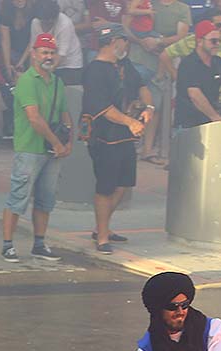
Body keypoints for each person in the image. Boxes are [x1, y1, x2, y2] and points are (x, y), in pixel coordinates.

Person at [81, 23, 150, 253]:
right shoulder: (94, 70)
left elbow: (142, 86)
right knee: (105, 187)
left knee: (123, 184)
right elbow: (103, 108)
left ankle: (102, 227)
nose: (127, 44)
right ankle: (102, 237)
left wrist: (148, 107)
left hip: (125, 136)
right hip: (104, 136)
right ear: (113, 41)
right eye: (124, 40)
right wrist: (131, 122)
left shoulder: (124, 64)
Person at [1, 32, 70, 261]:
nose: (48, 56)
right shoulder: (27, 81)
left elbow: (64, 112)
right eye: (44, 52)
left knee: (46, 199)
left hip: (53, 150)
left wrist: (68, 139)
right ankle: (7, 244)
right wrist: (57, 142)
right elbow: (34, 118)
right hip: (30, 147)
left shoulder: (58, 82)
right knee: (18, 196)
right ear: (33, 54)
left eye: (51, 52)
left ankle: (39, 243)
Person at [124, 0, 187, 165]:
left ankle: (147, 150)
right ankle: (125, 144)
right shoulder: (146, 3)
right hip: (136, 59)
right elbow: (125, 25)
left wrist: (158, 42)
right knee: (131, 103)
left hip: (161, 64)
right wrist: (141, 41)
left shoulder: (182, 9)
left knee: (155, 107)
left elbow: (181, 36)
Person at [173, 17, 221, 126]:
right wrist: (216, 118)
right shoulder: (188, 63)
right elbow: (194, 95)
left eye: (219, 41)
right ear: (200, 41)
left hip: (212, 121)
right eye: (213, 41)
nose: (217, 44)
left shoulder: (220, 63)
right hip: (188, 122)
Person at [31, 0, 83, 82]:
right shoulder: (35, 22)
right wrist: (33, 72)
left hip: (69, 65)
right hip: (46, 63)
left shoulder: (65, 24)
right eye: (44, 21)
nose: (48, 23)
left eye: (51, 21)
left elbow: (62, 54)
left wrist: (45, 73)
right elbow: (34, 49)